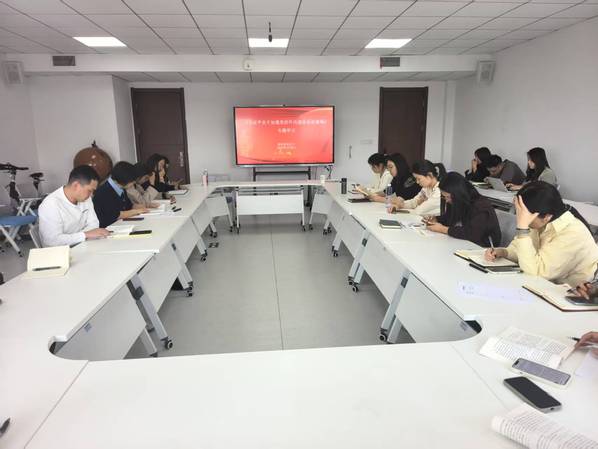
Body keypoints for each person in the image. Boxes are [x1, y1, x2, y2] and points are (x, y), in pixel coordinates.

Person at [484, 182, 598, 287]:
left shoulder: (572, 233)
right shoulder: (540, 221)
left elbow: (536, 273)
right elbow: (521, 252)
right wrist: (504, 252)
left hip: (565, 293)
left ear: (547, 217)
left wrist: (523, 229)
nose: (520, 218)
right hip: (546, 286)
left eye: (523, 214)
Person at [38, 165, 110, 247]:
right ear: (76, 185)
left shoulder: (86, 198)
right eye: (90, 191)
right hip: (60, 252)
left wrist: (82, 236)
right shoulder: (51, 204)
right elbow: (52, 241)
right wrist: (85, 235)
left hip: (81, 245)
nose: (91, 195)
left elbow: (94, 223)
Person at [425, 172, 502, 246]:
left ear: (458, 194)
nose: (447, 200)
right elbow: (450, 218)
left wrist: (443, 229)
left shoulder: (481, 206)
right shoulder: (458, 201)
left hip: (484, 247)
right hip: (466, 242)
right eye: (444, 197)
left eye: (448, 197)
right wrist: (437, 219)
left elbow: (472, 233)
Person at [93, 161, 147, 228]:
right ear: (125, 178)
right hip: (108, 228)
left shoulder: (121, 187)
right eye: (132, 181)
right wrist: (137, 211)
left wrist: (143, 206)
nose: (133, 183)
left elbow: (129, 206)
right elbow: (116, 215)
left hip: (121, 225)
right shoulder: (104, 191)